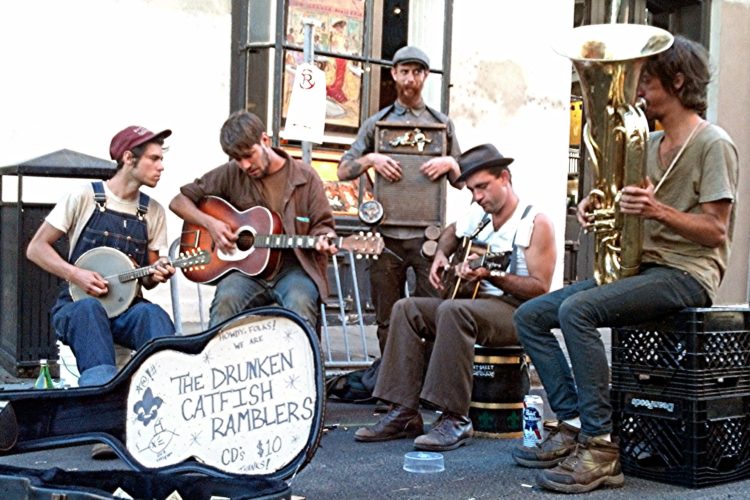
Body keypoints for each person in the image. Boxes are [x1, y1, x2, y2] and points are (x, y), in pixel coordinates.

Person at [512, 35, 739, 494]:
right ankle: (575, 421)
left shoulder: (713, 144)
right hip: (644, 269)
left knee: (578, 311)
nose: (637, 93)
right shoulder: (647, 140)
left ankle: (600, 448)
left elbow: (716, 231)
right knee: (530, 316)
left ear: (678, 82)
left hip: (686, 274)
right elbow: (623, 207)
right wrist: (597, 209)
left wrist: (658, 211)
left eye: (646, 82)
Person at [353, 143, 556, 451]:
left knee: (453, 311)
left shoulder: (534, 223)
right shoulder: (480, 214)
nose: (478, 197)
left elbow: (540, 288)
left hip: (516, 313)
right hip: (473, 305)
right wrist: (440, 256)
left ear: (505, 177)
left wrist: (491, 275)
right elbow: (450, 232)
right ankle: (403, 411)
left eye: (483, 187)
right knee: (407, 308)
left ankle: (455, 418)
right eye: (472, 190)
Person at [337, 45, 463, 358]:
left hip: (427, 239)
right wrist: (371, 159)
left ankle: (427, 388)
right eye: (404, 71)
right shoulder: (376, 125)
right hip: (385, 238)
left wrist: (450, 163)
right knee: (388, 318)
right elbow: (342, 170)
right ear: (394, 74)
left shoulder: (442, 125)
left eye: (417, 72)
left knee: (433, 313)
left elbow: (464, 182)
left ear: (425, 76)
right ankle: (393, 388)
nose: (410, 78)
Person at [26, 126, 177, 387]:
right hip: (77, 306)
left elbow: (150, 276)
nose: (161, 166)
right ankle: (99, 394)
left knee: (153, 315)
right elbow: (36, 248)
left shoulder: (153, 211)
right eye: (154, 158)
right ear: (129, 158)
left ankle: (165, 386)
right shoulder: (85, 196)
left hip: (127, 310)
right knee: (89, 309)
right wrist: (75, 274)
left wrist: (157, 273)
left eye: (161, 159)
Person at [169, 110, 337, 330]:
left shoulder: (306, 177)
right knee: (226, 300)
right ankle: (214, 361)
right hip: (246, 274)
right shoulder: (231, 174)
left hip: (293, 269)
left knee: (301, 301)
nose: (245, 165)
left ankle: (306, 363)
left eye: (249, 155)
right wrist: (212, 224)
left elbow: (323, 226)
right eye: (238, 159)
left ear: (264, 140)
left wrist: (325, 239)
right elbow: (178, 201)